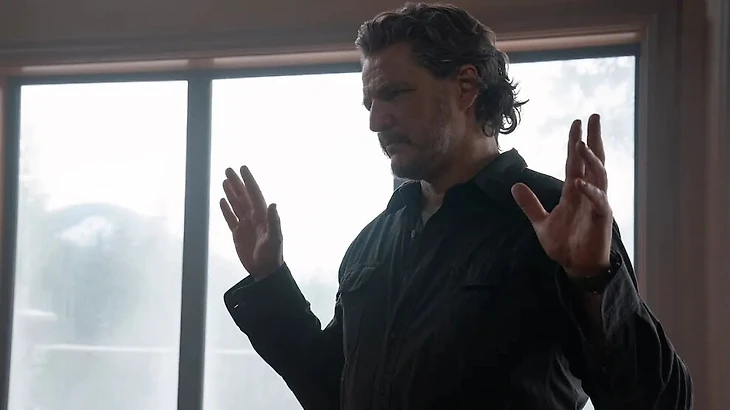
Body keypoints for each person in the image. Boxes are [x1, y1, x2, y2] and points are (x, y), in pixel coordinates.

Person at [219, 3, 692, 409]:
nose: (376, 121)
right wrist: (270, 280)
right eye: (369, 103)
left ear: (466, 87)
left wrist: (593, 277)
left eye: (393, 94)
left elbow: (657, 400)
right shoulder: (372, 243)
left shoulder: (555, 217)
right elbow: (333, 392)